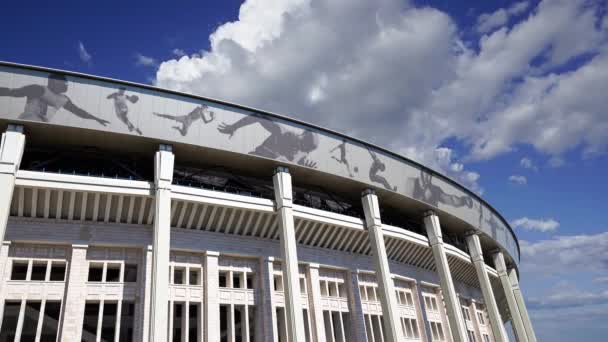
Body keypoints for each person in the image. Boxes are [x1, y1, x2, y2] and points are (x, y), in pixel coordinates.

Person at [0, 74, 109, 126]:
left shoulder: (63, 99)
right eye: (62, 82)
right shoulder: (38, 89)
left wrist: (96, 118)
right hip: (27, 122)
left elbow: (79, 112)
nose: (65, 85)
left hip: (43, 126)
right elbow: (13, 92)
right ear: (53, 81)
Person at [218, 113, 319, 168]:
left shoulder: (302, 153)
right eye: (300, 146)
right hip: (253, 164)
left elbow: (296, 163)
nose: (297, 150)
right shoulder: (282, 133)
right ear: (300, 137)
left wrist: (306, 169)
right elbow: (259, 116)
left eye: (303, 150)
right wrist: (234, 127)